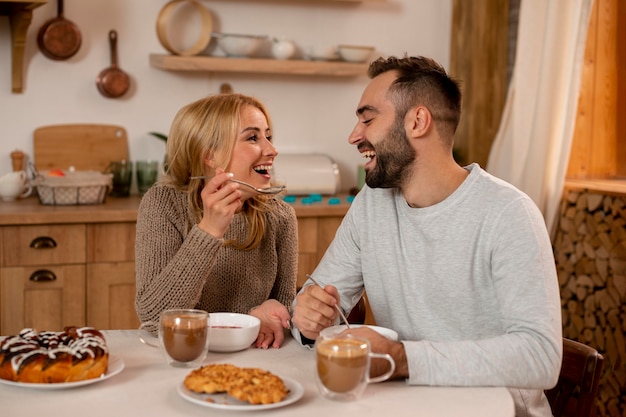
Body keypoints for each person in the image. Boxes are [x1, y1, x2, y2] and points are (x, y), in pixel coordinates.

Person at [291, 56, 562, 417]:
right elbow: (318, 299)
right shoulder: (372, 204)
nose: (354, 135)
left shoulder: (508, 213)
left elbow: (540, 356)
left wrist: (403, 359)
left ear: (417, 122)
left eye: (367, 118)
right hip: (402, 406)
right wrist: (307, 318)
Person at [135, 93, 297, 349]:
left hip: (256, 357)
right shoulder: (163, 203)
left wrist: (275, 310)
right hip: (183, 356)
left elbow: (285, 308)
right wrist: (209, 230)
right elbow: (155, 321)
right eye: (253, 138)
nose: (272, 150)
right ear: (210, 155)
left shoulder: (280, 216)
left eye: (268, 136)